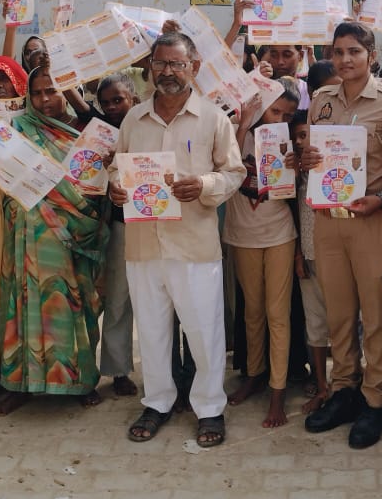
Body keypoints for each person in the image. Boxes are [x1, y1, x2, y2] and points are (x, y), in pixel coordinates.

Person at [109, 32, 246, 448]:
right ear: (150, 67)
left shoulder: (212, 118)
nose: (168, 71)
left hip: (193, 245)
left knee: (204, 332)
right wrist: (115, 187)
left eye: (177, 64)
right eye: (161, 63)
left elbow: (234, 173)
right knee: (151, 331)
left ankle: (209, 408)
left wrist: (203, 184)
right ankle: (158, 402)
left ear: (194, 67)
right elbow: (116, 168)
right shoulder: (134, 119)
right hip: (144, 244)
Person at [300, 21, 382, 449]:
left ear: (371, 55)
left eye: (354, 51)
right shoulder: (321, 100)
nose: (345, 59)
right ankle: (344, 390)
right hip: (328, 221)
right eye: (338, 52)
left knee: (376, 315)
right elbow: (313, 155)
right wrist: (307, 158)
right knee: (339, 313)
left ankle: (374, 399)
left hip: (373, 220)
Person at [0, 68, 109, 415]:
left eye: (52, 91)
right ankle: (21, 383)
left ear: (67, 92)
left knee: (71, 302)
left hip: (70, 234)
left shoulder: (85, 132)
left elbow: (95, 186)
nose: (44, 99)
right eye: (37, 92)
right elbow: (0, 171)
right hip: (25, 229)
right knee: (24, 301)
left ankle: (79, 380)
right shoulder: (18, 128)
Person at [225, 78, 301, 427]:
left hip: (279, 234)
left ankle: (277, 389)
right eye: (275, 111)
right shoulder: (234, 131)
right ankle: (254, 374)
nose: (280, 119)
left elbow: (296, 192)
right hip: (242, 234)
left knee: (277, 314)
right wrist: (243, 125)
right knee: (252, 311)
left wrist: (296, 164)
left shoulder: (290, 142)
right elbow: (224, 164)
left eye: (287, 114)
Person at [94, 74, 141, 398]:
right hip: (122, 225)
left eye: (118, 100)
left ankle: (165, 370)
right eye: (106, 103)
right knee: (119, 299)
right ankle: (118, 369)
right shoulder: (99, 133)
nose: (111, 107)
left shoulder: (148, 125)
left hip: (157, 222)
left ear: (133, 100)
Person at [291, 110, 330, 414]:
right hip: (309, 257)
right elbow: (292, 216)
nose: (304, 142)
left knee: (346, 325)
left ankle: (347, 384)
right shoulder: (294, 176)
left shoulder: (335, 169)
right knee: (314, 324)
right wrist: (298, 255)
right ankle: (322, 385)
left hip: (338, 259)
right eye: (299, 137)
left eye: (308, 135)